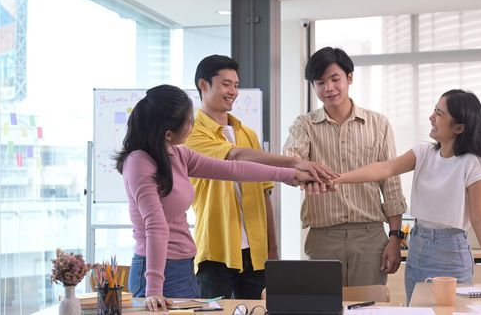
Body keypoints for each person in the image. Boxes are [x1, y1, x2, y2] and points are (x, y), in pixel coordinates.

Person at [114, 84, 315, 311]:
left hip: (183, 266)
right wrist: (153, 289)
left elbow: (234, 170)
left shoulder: (176, 153)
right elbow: (155, 226)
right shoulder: (139, 162)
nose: (192, 125)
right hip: (156, 272)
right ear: (168, 133)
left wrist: (289, 175)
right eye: (188, 121)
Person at [334, 89, 481, 303]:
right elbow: (385, 168)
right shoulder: (423, 153)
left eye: (439, 114)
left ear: (459, 127)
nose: (432, 117)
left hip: (450, 253)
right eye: (434, 110)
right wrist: (337, 178)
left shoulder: (473, 165)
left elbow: (479, 220)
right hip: (417, 247)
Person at [185, 54, 337, 300]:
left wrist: (273, 250)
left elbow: (265, 195)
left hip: (256, 252)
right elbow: (234, 158)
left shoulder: (248, 134)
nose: (233, 91)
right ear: (203, 85)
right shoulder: (191, 134)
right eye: (226, 84)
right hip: (216, 249)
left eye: (236, 85)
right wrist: (294, 162)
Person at [282, 47, 408, 287]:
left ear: (349, 78)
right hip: (323, 236)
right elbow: (290, 162)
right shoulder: (304, 125)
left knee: (369, 306)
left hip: (370, 235)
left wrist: (395, 238)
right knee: (322, 308)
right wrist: (302, 170)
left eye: (335, 79)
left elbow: (391, 184)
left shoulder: (378, 124)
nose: (328, 88)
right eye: (320, 82)